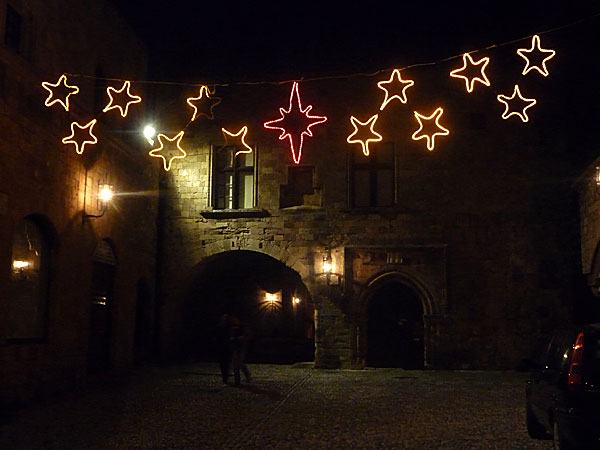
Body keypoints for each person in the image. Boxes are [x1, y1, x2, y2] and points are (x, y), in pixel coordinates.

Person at [230, 316, 251, 386]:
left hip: (240, 348)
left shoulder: (242, 328)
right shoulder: (232, 328)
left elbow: (245, 336)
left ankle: (245, 375)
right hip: (235, 348)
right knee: (236, 365)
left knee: (240, 363)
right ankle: (237, 380)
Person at [215, 314, 231, 384]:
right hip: (221, 347)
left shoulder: (228, 328)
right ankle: (224, 376)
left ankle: (225, 377)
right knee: (222, 363)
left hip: (226, 347)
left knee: (226, 363)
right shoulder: (219, 327)